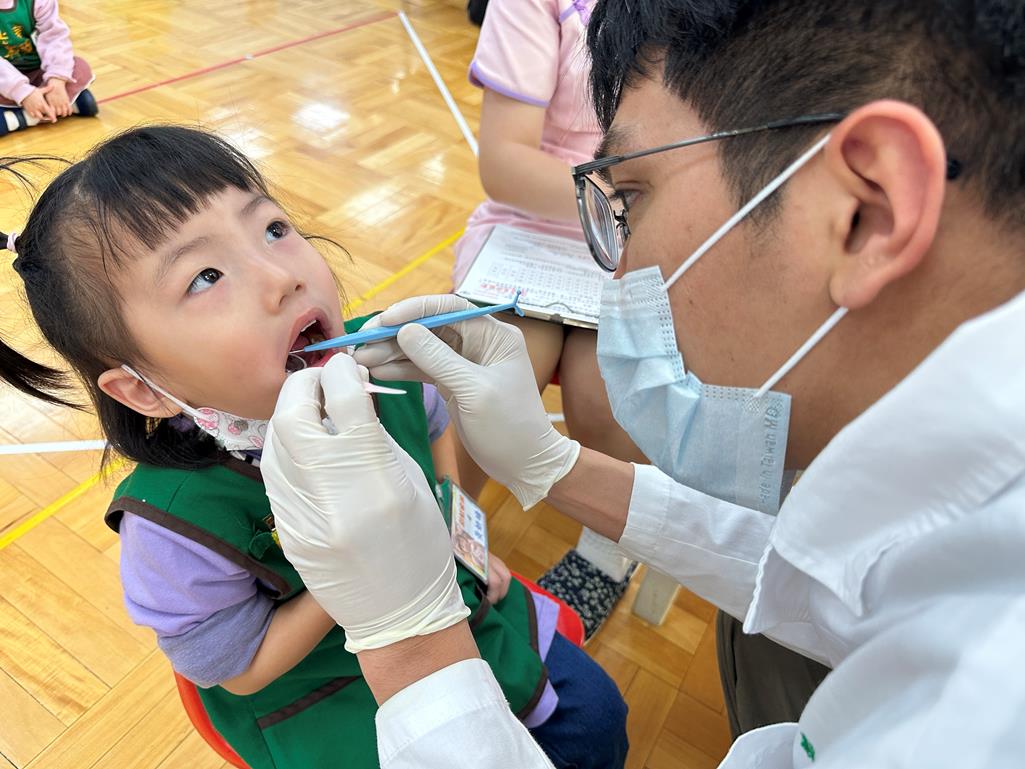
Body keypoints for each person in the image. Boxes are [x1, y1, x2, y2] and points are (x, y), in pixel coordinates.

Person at [260, 0, 1025, 767]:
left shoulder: (983, 710)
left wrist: (412, 649)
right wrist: (551, 463)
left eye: (630, 199)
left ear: (864, 209)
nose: (617, 266)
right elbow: (838, 576)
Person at [0, 126, 626, 769]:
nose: (281, 277)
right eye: (205, 276)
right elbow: (235, 669)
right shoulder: (174, 525)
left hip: (458, 599)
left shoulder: (382, 360)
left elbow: (435, 430)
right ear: (143, 389)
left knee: (597, 717)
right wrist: (356, 571)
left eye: (273, 229)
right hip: (334, 696)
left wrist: (461, 538)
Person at [458, 0, 646, 632]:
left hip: (645, 230)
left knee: (606, 391)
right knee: (491, 375)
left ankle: (607, 551)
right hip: (536, 223)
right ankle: (443, 530)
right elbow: (505, 162)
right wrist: (625, 198)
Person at [0, 0, 97, 135]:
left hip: (38, 73)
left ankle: (19, 117)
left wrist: (56, 81)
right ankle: (62, 106)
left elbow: (55, 38)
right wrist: (23, 92)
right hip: (5, 82)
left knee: (80, 66)